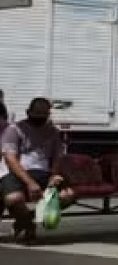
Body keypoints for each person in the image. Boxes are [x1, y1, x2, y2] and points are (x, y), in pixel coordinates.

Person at [1, 97, 74, 243]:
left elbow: (56, 158)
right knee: (13, 198)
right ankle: (28, 226)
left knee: (67, 196)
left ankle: (25, 220)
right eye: (36, 116)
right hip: (19, 173)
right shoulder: (14, 130)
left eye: (43, 117)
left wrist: (54, 176)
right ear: (28, 112)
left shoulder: (53, 132)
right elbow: (11, 159)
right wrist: (30, 183)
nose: (39, 120)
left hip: (44, 173)